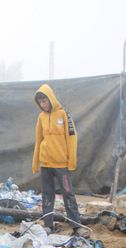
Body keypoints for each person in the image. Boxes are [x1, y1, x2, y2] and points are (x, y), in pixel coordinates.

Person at [32, 84, 80, 233]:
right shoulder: (41, 117)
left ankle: (76, 225)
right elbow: (38, 139)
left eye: (44, 101)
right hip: (45, 163)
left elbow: (72, 138)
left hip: (61, 164)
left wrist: (71, 161)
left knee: (68, 193)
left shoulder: (64, 114)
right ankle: (48, 225)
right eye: (40, 102)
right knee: (47, 194)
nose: (42, 104)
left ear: (51, 98)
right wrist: (36, 163)